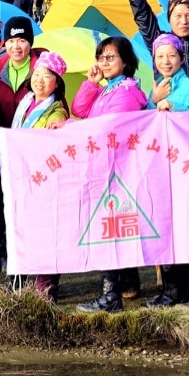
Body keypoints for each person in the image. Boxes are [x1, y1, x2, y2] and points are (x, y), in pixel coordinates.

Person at [72, 35, 153, 313]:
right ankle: (117, 290)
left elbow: (112, 129)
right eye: (101, 57)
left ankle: (111, 296)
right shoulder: (108, 88)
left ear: (126, 61)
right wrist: (91, 84)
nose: (104, 62)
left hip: (117, 170)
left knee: (110, 232)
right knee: (111, 230)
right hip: (103, 167)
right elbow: (80, 110)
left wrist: (75, 128)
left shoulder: (127, 91)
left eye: (110, 57)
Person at [8, 50, 72, 302]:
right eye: (36, 74)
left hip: (45, 180)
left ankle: (47, 285)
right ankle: (26, 279)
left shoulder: (56, 108)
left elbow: (59, 125)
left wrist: (59, 126)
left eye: (47, 76)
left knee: (47, 231)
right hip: (23, 177)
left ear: (57, 82)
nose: (40, 80)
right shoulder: (26, 102)